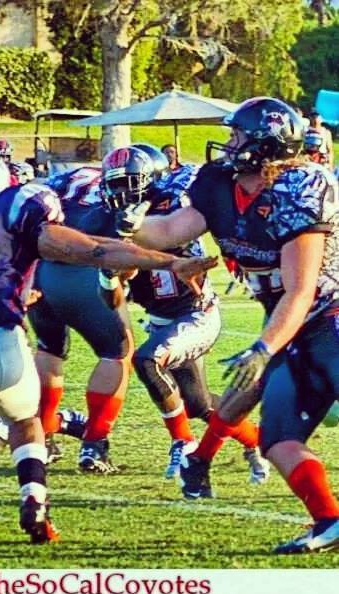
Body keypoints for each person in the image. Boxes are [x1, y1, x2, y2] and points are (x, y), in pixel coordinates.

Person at [0, 150, 216, 558]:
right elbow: (94, 250)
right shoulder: (16, 204)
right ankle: (35, 499)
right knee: (25, 421)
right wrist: (170, 262)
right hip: (5, 347)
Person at [127, 96, 339, 554]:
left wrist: (263, 348)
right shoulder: (220, 185)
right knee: (278, 438)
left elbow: (302, 290)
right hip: (294, 326)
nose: (229, 144)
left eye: (238, 135)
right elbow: (168, 231)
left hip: (330, 314)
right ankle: (330, 521)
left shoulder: (298, 189)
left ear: (265, 143)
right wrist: (128, 222)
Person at [110, 144, 267, 483]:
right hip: (161, 320)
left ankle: (182, 442)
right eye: (115, 184)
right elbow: (113, 297)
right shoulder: (115, 221)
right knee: (199, 405)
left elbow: (170, 236)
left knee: (147, 360)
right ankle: (257, 442)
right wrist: (112, 276)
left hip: (195, 313)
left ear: (150, 180)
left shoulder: (170, 207)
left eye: (128, 183)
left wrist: (133, 239)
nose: (120, 193)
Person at [28, 163, 135, 473]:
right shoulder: (124, 190)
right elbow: (126, 261)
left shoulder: (64, 180)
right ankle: (94, 444)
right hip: (81, 272)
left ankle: (42, 437)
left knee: (49, 349)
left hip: (37, 270)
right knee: (117, 352)